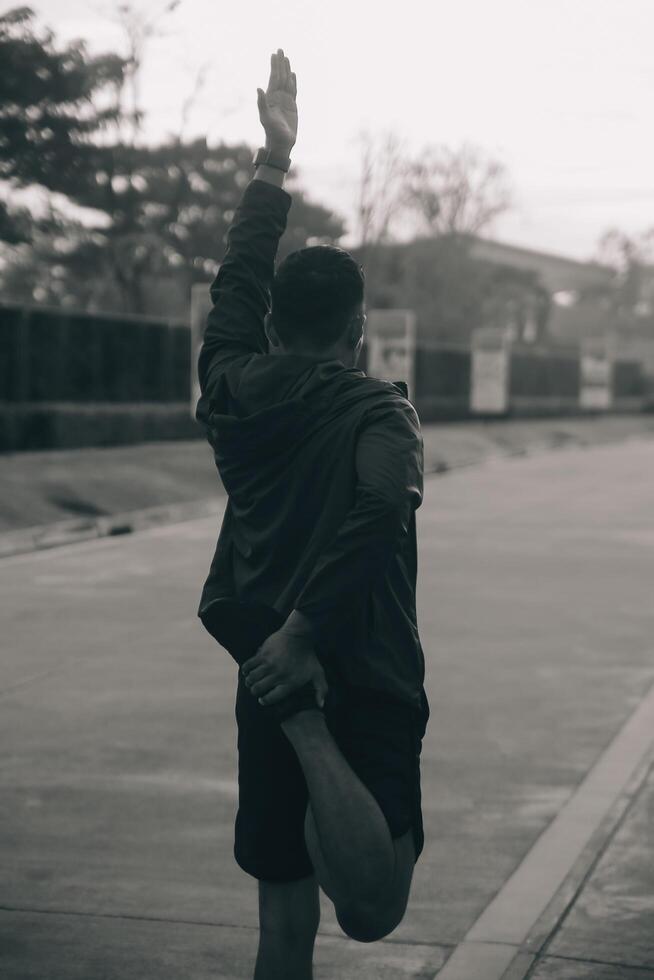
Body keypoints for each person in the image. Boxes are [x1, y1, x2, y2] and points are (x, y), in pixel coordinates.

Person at [195, 48, 429, 980]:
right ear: (357, 328)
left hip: (263, 666)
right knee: (373, 911)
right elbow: (378, 517)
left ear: (273, 326)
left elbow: (235, 283)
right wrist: (305, 639)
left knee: (282, 930)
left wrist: (272, 162)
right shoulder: (380, 413)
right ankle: (309, 727)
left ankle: (297, 718)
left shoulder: (232, 390)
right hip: (352, 671)